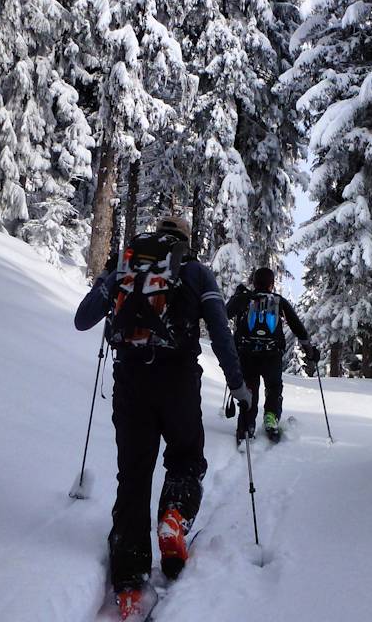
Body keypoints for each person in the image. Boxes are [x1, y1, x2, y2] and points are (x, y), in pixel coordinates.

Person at [74, 215, 252, 619]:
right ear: (185, 243)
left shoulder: (125, 265)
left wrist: (109, 274)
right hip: (178, 381)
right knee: (187, 457)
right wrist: (238, 384)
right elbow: (221, 332)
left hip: (131, 382)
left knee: (133, 476)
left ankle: (130, 586)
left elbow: (83, 319)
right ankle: (173, 517)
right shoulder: (195, 273)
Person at [225, 267, 318, 443]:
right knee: (274, 388)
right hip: (272, 355)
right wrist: (310, 350)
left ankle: (247, 425)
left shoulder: (245, 299)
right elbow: (297, 326)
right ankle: (270, 419)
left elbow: (223, 314)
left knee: (250, 388)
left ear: (254, 283)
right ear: (271, 284)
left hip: (247, 354)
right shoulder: (278, 301)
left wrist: (237, 297)